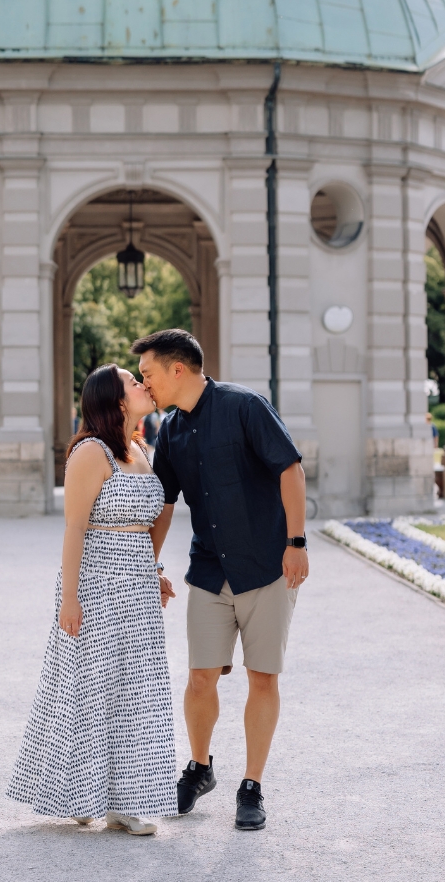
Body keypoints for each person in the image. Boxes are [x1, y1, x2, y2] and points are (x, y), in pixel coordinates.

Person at [133, 328, 308, 833]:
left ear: (177, 370)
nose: (145, 385)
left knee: (262, 677)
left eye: (148, 375)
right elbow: (163, 506)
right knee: (199, 677)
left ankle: (251, 784)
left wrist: (295, 544)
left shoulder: (245, 406)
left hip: (265, 568)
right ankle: (201, 766)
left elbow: (290, 469)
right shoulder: (169, 429)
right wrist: (149, 566)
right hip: (209, 570)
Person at [7, 364, 178, 835]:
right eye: (132, 380)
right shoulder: (90, 452)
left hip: (138, 589)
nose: (143, 384)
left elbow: (144, 527)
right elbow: (75, 528)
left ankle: (126, 801)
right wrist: (69, 598)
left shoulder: (142, 449)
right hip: (97, 587)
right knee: (90, 690)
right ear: (116, 399)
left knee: (137, 690)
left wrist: (155, 571)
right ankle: (82, 793)